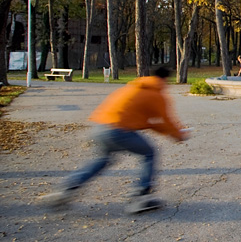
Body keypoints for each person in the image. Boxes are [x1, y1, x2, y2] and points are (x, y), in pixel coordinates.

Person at [39, 66, 189, 214]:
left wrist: (169, 133)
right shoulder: (156, 94)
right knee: (149, 153)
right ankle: (141, 196)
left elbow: (150, 124)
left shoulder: (132, 87)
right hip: (118, 131)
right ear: (165, 79)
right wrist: (178, 135)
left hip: (99, 128)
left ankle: (66, 189)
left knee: (101, 160)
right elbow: (165, 120)